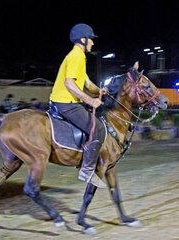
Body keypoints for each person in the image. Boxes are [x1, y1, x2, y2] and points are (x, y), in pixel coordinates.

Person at [49, 23, 107, 188]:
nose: (93, 43)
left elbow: (87, 83)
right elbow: (69, 84)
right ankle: (87, 170)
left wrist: (99, 91)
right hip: (66, 103)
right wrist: (90, 101)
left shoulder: (78, 56)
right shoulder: (77, 56)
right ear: (83, 39)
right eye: (91, 40)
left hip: (64, 101)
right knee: (98, 128)